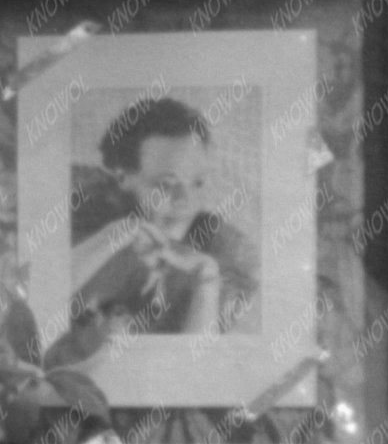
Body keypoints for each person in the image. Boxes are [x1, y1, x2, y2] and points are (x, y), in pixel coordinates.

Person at [48, 94, 258, 366]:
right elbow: (34, 308)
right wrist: (112, 238)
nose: (185, 199)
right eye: (166, 184)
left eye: (197, 183)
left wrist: (207, 281)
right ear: (123, 176)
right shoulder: (77, 219)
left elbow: (194, 373)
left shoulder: (228, 258)